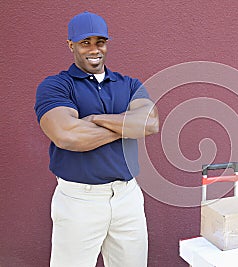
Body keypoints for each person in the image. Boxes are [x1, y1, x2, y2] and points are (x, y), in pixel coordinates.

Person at [34, 11, 159, 267]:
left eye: (100, 41)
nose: (94, 49)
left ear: (107, 43)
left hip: (127, 197)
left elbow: (150, 123)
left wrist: (92, 119)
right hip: (79, 199)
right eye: (85, 43)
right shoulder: (56, 85)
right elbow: (68, 135)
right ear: (71, 45)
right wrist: (126, 125)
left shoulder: (129, 84)